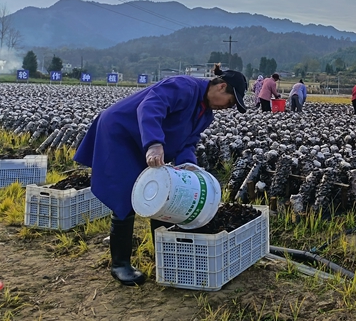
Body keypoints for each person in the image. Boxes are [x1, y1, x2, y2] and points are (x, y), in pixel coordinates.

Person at [74, 64, 247, 286]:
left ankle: (164, 255)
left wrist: (188, 167)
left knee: (165, 196)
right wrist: (154, 143)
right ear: (222, 86)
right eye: (231, 102)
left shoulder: (206, 114)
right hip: (121, 133)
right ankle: (120, 264)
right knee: (125, 195)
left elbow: (188, 142)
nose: (227, 108)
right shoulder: (183, 86)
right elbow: (150, 107)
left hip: (145, 141)